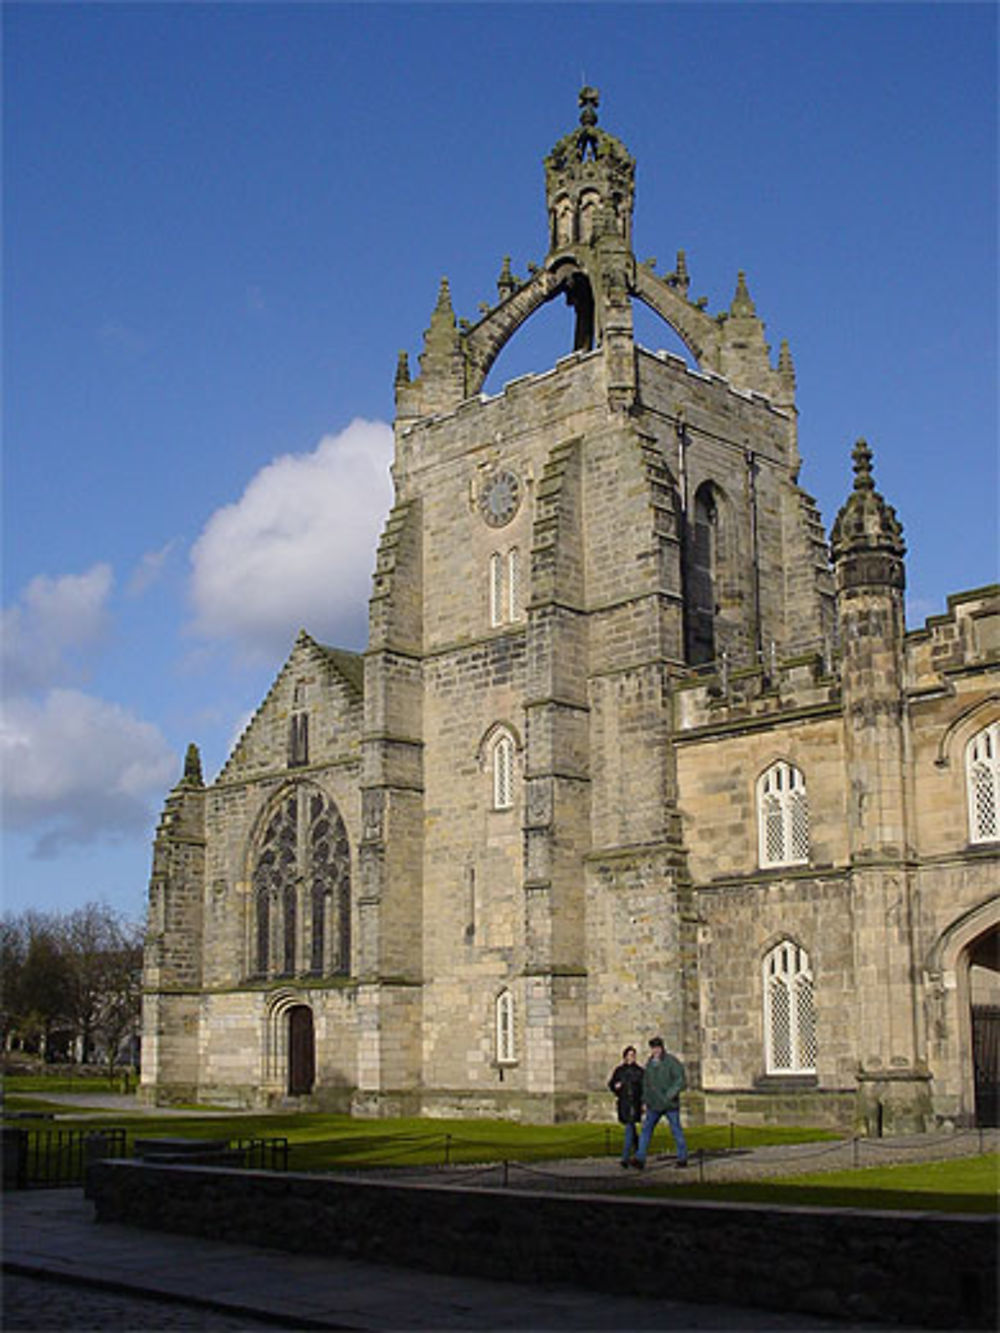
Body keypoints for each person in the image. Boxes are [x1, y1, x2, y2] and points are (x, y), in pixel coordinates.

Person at [633, 1035, 688, 1169]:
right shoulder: (650, 1064)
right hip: (654, 1105)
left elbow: (680, 1080)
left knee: (676, 1131)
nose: (655, 1051)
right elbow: (646, 1084)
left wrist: (670, 1095)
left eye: (657, 1048)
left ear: (662, 1048)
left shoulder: (671, 1062)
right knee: (646, 1131)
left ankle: (682, 1158)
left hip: (670, 1105)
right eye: (653, 1048)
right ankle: (640, 1159)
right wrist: (644, 1101)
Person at [607, 1044, 644, 1167]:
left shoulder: (639, 1071)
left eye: (633, 1055)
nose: (632, 1057)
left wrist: (644, 1103)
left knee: (629, 1127)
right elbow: (611, 1084)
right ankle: (638, 1150)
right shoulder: (619, 1071)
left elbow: (644, 1088)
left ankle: (625, 1157)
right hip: (624, 1103)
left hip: (635, 1103)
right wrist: (616, 1087)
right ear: (625, 1057)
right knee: (631, 1128)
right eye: (629, 1055)